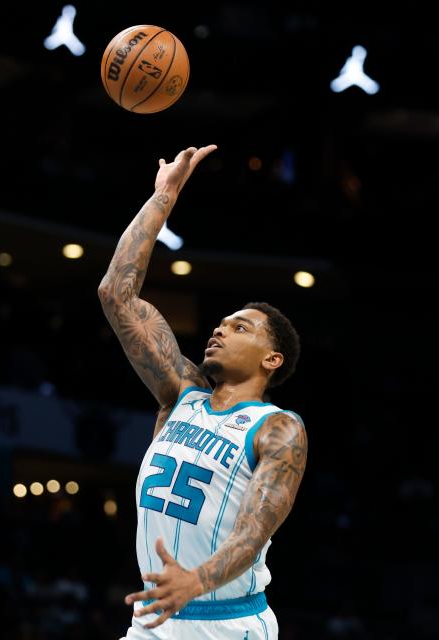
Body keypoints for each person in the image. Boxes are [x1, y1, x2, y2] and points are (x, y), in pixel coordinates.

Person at [98, 145, 308, 638]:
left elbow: (255, 531)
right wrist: (163, 197)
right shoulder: (181, 395)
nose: (219, 330)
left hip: (228, 623)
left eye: (240, 328)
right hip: (154, 615)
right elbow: (116, 294)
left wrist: (196, 581)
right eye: (220, 323)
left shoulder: (278, 428)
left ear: (271, 359)